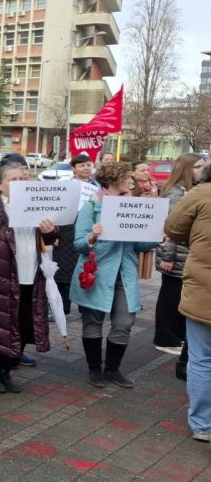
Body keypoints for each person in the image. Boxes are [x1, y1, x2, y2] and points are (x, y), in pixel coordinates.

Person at [70, 161, 160, 389]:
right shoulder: (91, 207)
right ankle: (94, 369)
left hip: (124, 273)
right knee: (93, 322)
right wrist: (92, 236)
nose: (132, 181)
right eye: (127, 177)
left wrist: (157, 234)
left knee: (124, 322)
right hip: (97, 273)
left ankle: (112, 369)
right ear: (112, 180)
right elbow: (79, 244)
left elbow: (138, 245)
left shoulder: (132, 205)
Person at [0, 161, 57, 394]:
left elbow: (47, 240)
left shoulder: (35, 203)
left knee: (23, 323)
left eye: (23, 179)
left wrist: (50, 232)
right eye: (13, 180)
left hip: (30, 274)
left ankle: (7, 370)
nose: (20, 184)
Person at [164, 163, 211, 443]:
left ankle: (203, 424)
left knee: (202, 358)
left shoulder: (201, 193)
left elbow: (173, 227)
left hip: (204, 289)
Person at [154, 153, 205, 379]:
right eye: (198, 167)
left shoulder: (191, 191)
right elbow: (169, 230)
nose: (202, 171)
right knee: (170, 296)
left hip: (184, 255)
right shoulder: (177, 193)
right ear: (186, 169)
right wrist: (168, 256)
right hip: (175, 256)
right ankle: (167, 337)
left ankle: (175, 336)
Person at [53, 153, 99, 315]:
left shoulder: (98, 188)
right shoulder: (64, 186)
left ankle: (84, 305)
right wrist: (54, 235)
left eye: (88, 164)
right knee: (63, 271)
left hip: (87, 233)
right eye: (81, 165)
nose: (86, 168)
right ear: (73, 169)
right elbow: (55, 210)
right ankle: (61, 308)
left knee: (85, 267)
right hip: (66, 232)